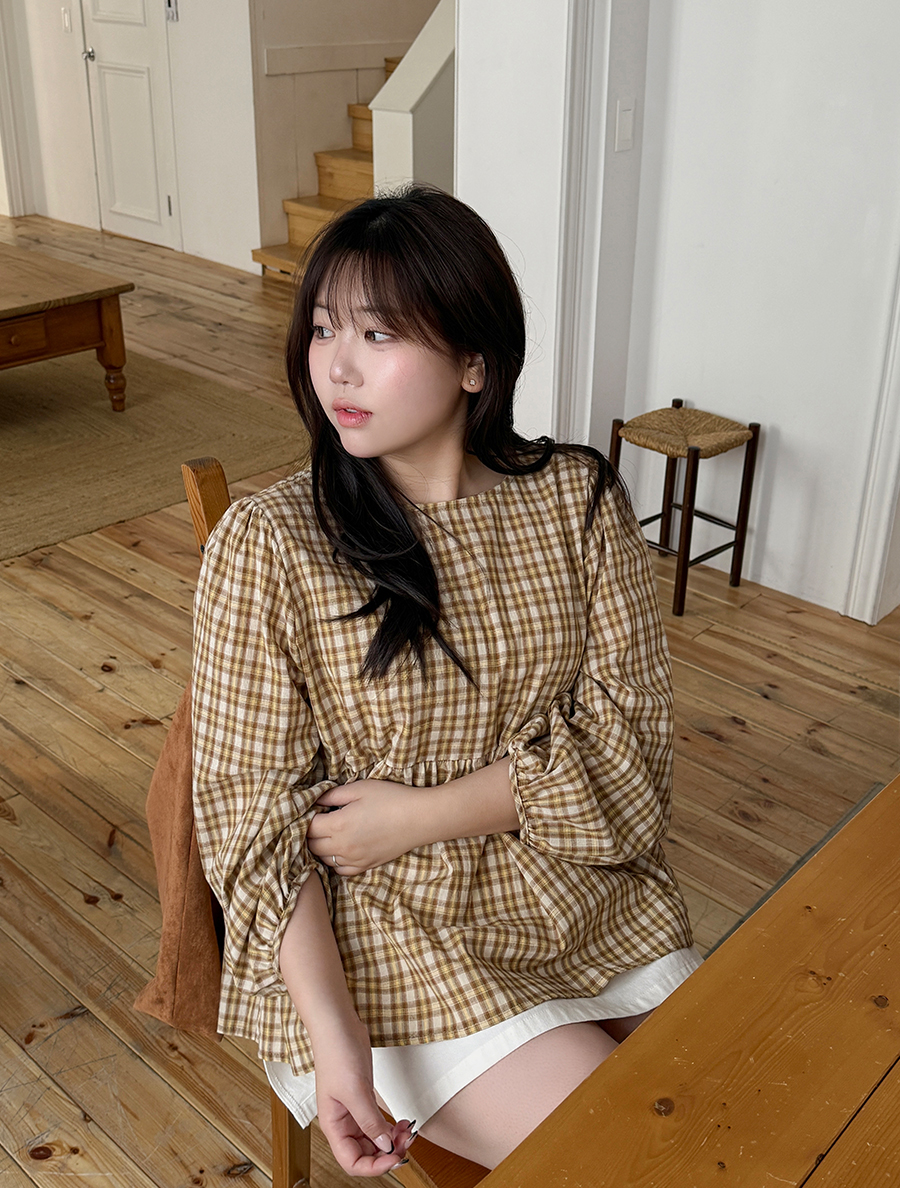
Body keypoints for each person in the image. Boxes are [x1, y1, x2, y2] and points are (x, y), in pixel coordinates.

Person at [191, 185, 700, 1177]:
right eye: (323, 328)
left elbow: (634, 760)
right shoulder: (270, 543)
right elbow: (254, 826)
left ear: (475, 361)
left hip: (591, 895)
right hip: (390, 936)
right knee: (641, 1159)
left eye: (378, 333)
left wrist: (419, 814)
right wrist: (335, 1043)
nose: (337, 365)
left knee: (755, 1102)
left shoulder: (578, 500)